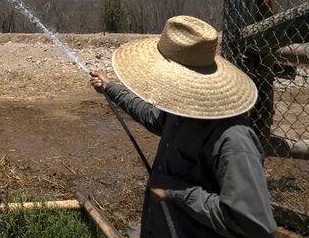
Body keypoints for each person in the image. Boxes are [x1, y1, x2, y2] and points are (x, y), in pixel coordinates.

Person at [89, 15, 276, 238]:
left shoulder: (234, 139)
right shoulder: (182, 110)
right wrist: (110, 88)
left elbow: (255, 224)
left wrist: (177, 193)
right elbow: (152, 117)